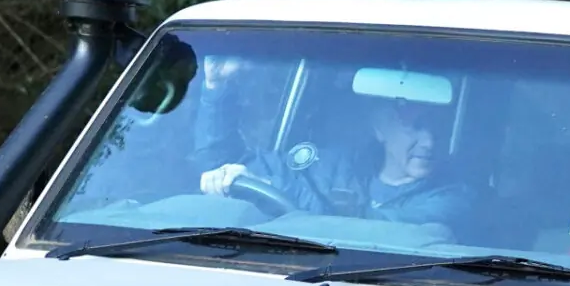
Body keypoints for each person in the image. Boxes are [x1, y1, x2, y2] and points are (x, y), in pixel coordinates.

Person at [200, 95, 474, 232]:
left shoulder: (453, 198)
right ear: (380, 128)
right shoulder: (338, 164)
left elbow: (372, 229)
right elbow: (224, 164)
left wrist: (274, 188)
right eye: (415, 127)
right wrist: (218, 90)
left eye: (436, 129)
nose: (429, 141)